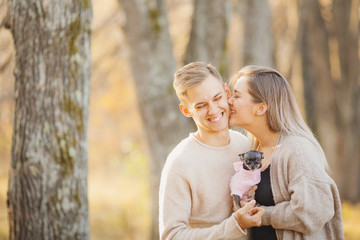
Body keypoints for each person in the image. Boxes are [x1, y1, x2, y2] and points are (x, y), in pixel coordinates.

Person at [228, 65, 344, 240]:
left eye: (236, 96)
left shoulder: (297, 149)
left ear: (260, 108)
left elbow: (313, 211)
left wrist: (262, 215)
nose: (229, 101)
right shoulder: (253, 149)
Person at [159, 62, 265, 240]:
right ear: (186, 110)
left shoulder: (247, 145)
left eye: (217, 98)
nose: (213, 110)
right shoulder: (180, 163)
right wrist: (234, 225)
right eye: (201, 106)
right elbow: (172, 236)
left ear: (227, 93)